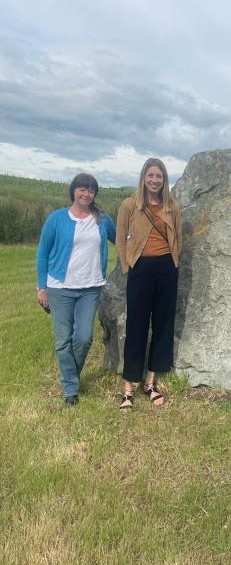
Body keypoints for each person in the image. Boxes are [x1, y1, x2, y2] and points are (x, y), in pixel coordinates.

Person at [36, 173, 116, 406]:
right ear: (74, 191)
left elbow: (122, 239)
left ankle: (71, 376)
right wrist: (42, 287)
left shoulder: (102, 219)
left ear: (94, 194)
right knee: (63, 341)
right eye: (82, 189)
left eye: (91, 190)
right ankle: (71, 389)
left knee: (83, 337)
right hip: (59, 288)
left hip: (90, 288)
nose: (86, 193)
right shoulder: (57, 218)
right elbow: (43, 253)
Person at [116, 158, 182, 409]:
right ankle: (128, 388)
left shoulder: (172, 207)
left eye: (159, 176)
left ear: (164, 180)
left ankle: (151, 383)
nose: (155, 180)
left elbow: (179, 239)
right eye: (150, 175)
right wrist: (127, 266)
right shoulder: (130, 205)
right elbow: (121, 238)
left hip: (166, 268)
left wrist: (173, 263)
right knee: (137, 325)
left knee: (163, 325)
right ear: (143, 177)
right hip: (140, 269)